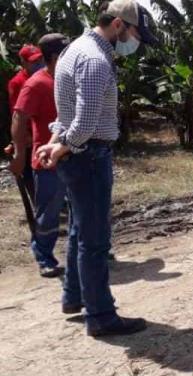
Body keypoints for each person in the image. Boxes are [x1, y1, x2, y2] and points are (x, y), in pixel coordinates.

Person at [35, 0, 159, 337]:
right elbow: (86, 119)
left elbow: (68, 111)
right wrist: (66, 144)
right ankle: (101, 316)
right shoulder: (95, 59)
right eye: (135, 33)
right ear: (118, 24)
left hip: (79, 153)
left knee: (79, 230)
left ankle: (73, 297)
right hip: (89, 156)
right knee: (95, 240)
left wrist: (58, 140)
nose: (135, 41)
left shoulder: (76, 49)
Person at [10, 34, 70, 278]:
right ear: (55, 57)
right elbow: (19, 117)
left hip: (73, 154)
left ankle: (88, 250)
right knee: (49, 214)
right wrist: (18, 154)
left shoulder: (69, 78)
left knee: (81, 208)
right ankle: (44, 256)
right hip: (47, 159)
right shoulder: (35, 84)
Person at [5, 45, 45, 195]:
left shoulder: (46, 76)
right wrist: (24, 136)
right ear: (23, 62)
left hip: (44, 131)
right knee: (30, 172)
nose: (38, 64)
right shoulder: (17, 82)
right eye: (33, 62)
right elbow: (17, 113)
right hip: (29, 136)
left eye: (40, 60)